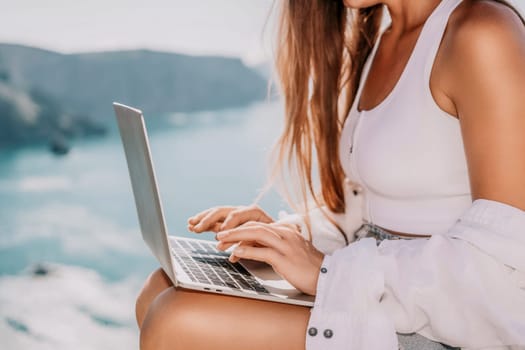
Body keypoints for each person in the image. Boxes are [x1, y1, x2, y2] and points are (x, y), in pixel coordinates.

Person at [135, 0, 525, 349]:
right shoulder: (381, 38)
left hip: (449, 323)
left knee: (178, 320)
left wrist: (327, 270)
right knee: (159, 287)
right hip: (381, 286)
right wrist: (293, 237)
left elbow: (507, 262)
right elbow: (373, 208)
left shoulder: (481, 31)